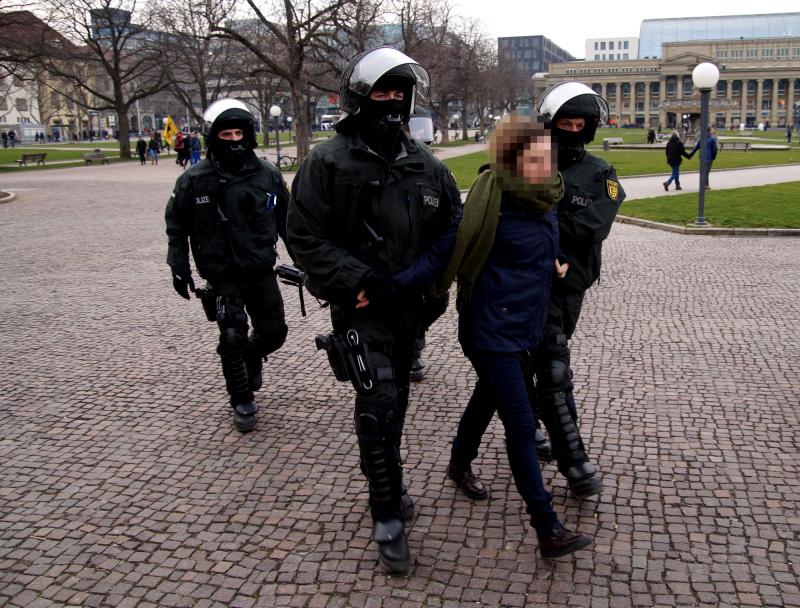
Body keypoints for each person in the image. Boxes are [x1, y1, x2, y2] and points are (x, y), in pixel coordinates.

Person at [287, 47, 461, 574]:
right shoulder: (327, 161)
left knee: (398, 400)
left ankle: (389, 473)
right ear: (359, 97)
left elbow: (452, 229)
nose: (391, 101)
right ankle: (385, 508)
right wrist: (355, 279)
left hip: (410, 307)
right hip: (360, 306)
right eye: (382, 91)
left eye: (399, 93)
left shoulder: (425, 164)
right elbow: (302, 234)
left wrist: (422, 283)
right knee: (379, 398)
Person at [421, 113, 593, 559]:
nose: (543, 165)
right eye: (533, 158)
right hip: (489, 330)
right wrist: (387, 285)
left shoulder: (545, 198)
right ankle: (547, 527)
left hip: (527, 328)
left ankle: (459, 463)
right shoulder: (491, 201)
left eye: (547, 156)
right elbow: (447, 250)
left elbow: (545, 241)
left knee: (488, 398)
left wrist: (556, 263)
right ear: (512, 160)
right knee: (519, 424)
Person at [446, 83, 624, 504]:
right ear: (550, 125)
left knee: (498, 383)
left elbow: (596, 224)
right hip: (521, 291)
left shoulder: (601, 173)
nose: (574, 131)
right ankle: (573, 460)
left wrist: (555, 233)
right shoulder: (522, 170)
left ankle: (462, 458)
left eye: (581, 124)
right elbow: (502, 223)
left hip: (567, 288)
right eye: (566, 123)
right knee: (552, 370)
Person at [165, 98, 290, 433]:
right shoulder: (194, 180)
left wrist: (309, 264)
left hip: (260, 269)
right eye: (226, 133)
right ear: (214, 136)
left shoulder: (268, 176)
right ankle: (241, 397)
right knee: (231, 335)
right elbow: (176, 225)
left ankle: (252, 357)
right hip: (222, 274)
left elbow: (288, 221)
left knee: (274, 333)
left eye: (238, 132)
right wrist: (179, 267)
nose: (233, 139)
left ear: (247, 135)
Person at [690, 126, 719, 190]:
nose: (712, 131)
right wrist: (713, 157)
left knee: (704, 171)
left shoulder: (701, 138)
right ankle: (703, 185)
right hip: (708, 157)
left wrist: (691, 154)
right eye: (711, 130)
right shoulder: (712, 138)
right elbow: (715, 149)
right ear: (709, 131)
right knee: (706, 172)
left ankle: (706, 185)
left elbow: (696, 147)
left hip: (702, 157)